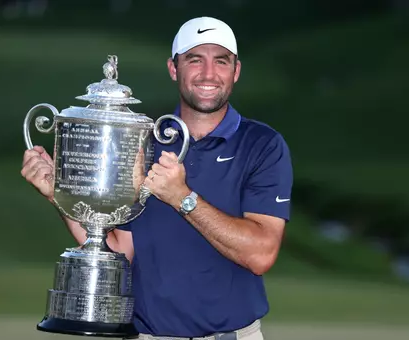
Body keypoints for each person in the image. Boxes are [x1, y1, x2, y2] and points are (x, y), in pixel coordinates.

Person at [21, 16, 293, 340]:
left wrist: (182, 197)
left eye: (221, 61)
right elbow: (117, 250)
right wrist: (60, 195)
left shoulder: (262, 144)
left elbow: (261, 254)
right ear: (173, 69)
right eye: (195, 60)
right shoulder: (142, 140)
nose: (208, 74)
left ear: (235, 71)